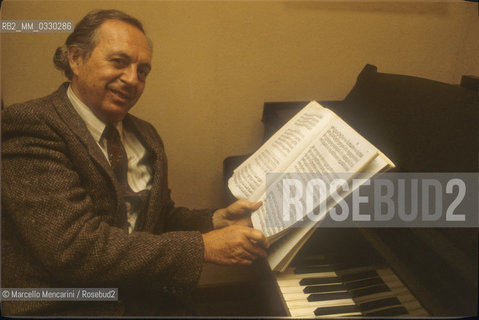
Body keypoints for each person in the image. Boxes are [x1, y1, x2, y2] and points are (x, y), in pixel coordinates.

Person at [1, 9, 269, 317]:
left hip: (143, 298)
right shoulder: (31, 124)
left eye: (142, 71)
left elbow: (157, 220)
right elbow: (75, 250)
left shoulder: (145, 135)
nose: (132, 79)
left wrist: (216, 220)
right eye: (118, 62)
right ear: (75, 59)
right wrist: (203, 246)